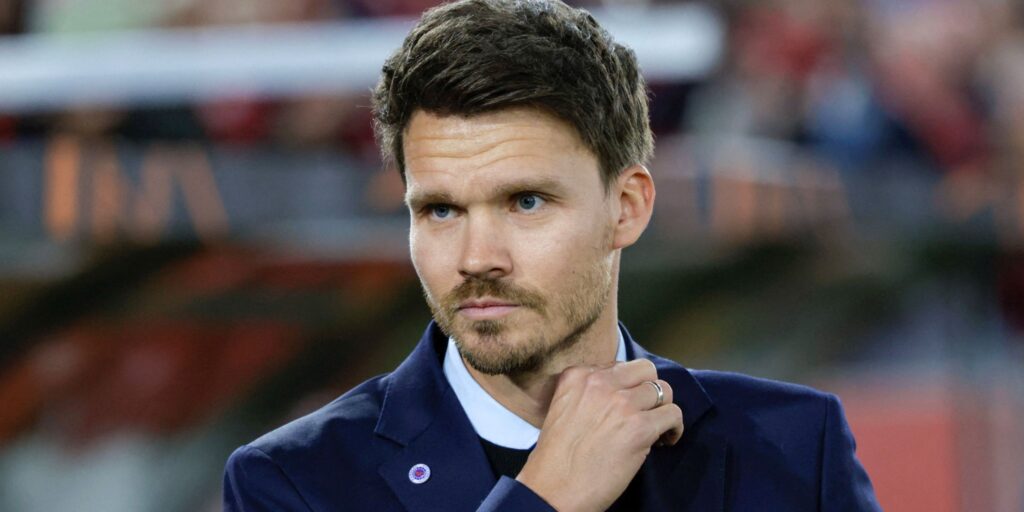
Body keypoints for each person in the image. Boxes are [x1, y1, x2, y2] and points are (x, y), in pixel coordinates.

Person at [222, 0, 881, 510]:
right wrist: (544, 500)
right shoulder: (294, 483)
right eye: (441, 210)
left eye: (526, 202)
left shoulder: (794, 447)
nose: (478, 256)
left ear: (627, 207)